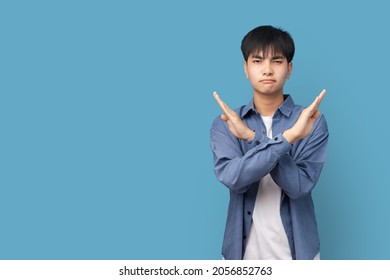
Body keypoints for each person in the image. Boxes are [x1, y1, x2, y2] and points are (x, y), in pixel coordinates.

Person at [210, 25, 329, 260]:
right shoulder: (227, 123)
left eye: (276, 61)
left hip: (299, 256)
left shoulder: (311, 121)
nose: (267, 69)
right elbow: (235, 179)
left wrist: (253, 138)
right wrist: (287, 139)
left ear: (289, 68)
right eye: (257, 61)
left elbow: (299, 187)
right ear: (245, 68)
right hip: (240, 257)